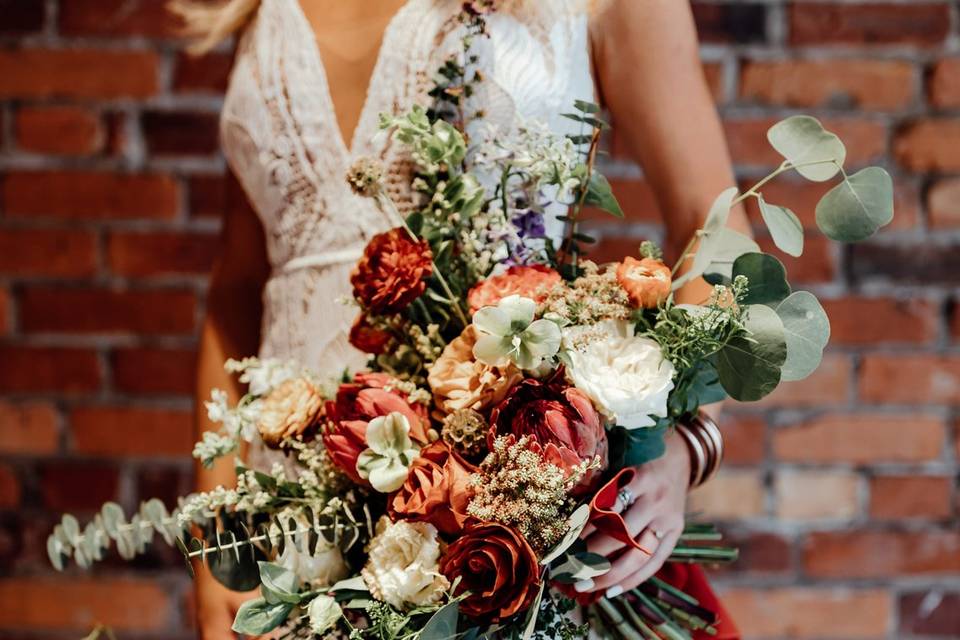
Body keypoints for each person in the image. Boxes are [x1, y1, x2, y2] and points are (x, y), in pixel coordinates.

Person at [175, 1, 751, 638]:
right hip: (291, 548)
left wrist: (687, 443)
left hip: (507, 541)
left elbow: (716, 225)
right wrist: (214, 541)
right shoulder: (257, 11)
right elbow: (238, 290)